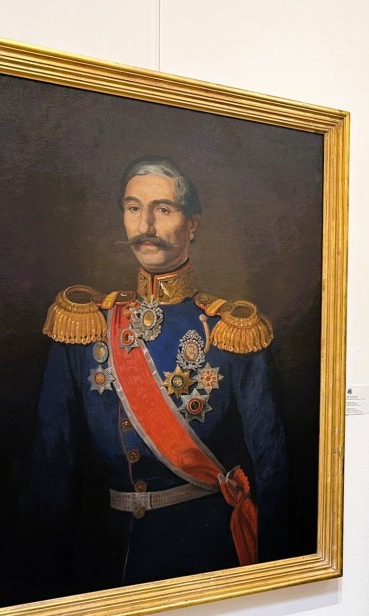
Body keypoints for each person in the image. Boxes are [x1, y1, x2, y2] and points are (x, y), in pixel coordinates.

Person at [27, 156, 288, 592]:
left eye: (162, 209)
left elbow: (273, 466)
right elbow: (50, 466)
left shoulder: (230, 330)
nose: (145, 224)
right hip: (104, 559)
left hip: (202, 553)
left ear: (192, 224)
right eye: (134, 208)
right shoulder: (87, 324)